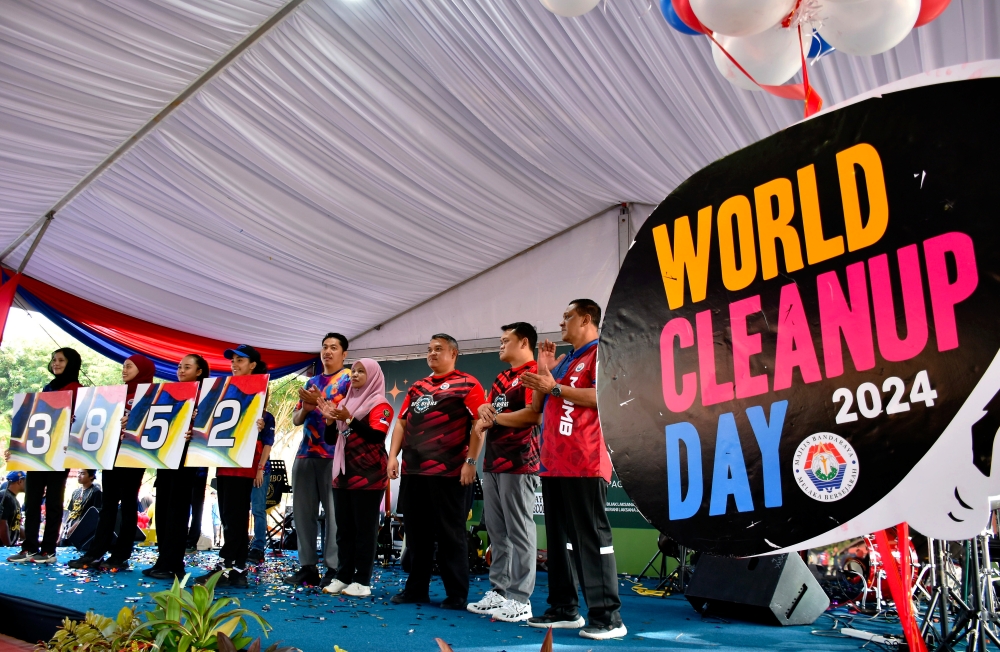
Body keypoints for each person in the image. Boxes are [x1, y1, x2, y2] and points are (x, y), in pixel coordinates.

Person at [521, 299, 626, 640]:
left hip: (585, 460)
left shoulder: (602, 352)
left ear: (586, 318)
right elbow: (540, 404)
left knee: (592, 539)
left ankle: (608, 617)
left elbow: (602, 398)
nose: (562, 321)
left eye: (567, 316)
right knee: (560, 542)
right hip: (553, 464)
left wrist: (554, 386)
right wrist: (544, 370)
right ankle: (564, 609)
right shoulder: (566, 360)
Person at [387, 334, 487, 610]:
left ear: (453, 353)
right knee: (417, 536)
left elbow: (479, 423)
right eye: (429, 350)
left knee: (450, 536)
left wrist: (471, 461)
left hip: (450, 474)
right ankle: (416, 589)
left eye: (438, 349)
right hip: (414, 473)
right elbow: (401, 423)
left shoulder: (468, 384)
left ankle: (457, 594)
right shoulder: (418, 387)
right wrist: (392, 456)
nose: (431, 354)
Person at [467, 323, 541, 622]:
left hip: (521, 461)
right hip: (494, 461)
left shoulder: (534, 372)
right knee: (497, 532)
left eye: (505, 340)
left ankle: (521, 599)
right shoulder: (501, 378)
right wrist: (485, 411)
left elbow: (531, 415)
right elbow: (491, 414)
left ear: (523, 342)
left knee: (520, 531)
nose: (500, 345)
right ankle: (498, 592)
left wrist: (494, 418)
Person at [68, 354, 156, 571]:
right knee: (107, 506)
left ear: (143, 370)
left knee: (127, 506)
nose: (124, 370)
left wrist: (138, 420)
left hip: (133, 456)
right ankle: (95, 553)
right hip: (110, 455)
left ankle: (120, 556)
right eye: (123, 366)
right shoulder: (114, 395)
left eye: (129, 366)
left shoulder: (152, 396)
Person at [194, 345, 271, 589]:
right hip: (224, 460)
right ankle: (237, 569)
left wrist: (260, 424)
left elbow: (264, 428)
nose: (234, 364)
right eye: (233, 360)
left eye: (240, 360)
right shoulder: (223, 391)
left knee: (235, 515)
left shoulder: (259, 391)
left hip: (244, 462)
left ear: (253, 365)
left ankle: (228, 565)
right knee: (229, 514)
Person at [319, 358, 394, 598]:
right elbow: (332, 440)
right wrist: (331, 421)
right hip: (343, 474)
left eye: (361, 372)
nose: (355, 375)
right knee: (345, 529)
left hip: (368, 474)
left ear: (373, 376)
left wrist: (349, 418)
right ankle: (343, 576)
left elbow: (376, 436)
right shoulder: (346, 401)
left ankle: (362, 580)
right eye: (353, 371)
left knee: (364, 529)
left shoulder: (380, 404)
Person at [285, 333, 351, 588]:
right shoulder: (311, 381)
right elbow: (296, 419)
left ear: (343, 354)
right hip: (305, 453)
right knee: (303, 513)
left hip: (333, 454)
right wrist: (307, 407)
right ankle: (307, 566)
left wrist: (321, 404)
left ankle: (333, 568)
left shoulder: (347, 380)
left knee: (334, 516)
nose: (328, 351)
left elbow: (346, 414)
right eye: (324, 347)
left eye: (334, 347)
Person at [7, 348, 83, 564]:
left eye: (61, 360)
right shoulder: (48, 388)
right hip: (38, 451)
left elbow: (79, 421)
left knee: (53, 502)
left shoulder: (77, 389)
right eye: (53, 360)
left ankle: (48, 550)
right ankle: (29, 547)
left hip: (60, 453)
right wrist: (17, 445)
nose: (56, 363)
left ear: (72, 363)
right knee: (31, 500)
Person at [144, 354, 210, 581]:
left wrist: (196, 429)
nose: (181, 370)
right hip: (165, 454)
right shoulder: (168, 393)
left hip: (187, 459)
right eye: (179, 366)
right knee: (161, 508)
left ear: (199, 371)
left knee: (177, 510)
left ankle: (174, 562)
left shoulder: (205, 396)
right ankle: (163, 559)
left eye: (187, 367)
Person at [248, 393, 275, 565]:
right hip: (240, 467)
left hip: (259, 468)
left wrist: (260, 468)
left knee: (258, 509)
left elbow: (268, 444)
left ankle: (258, 546)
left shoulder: (267, 417)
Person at [60, 469, 103, 550]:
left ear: (91, 476)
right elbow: (70, 512)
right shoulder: (76, 492)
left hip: (82, 530)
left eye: (82, 473)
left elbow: (93, 514)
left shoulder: (96, 492)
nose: (79, 475)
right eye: (78, 473)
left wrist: (75, 526)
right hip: (68, 527)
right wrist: (62, 533)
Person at [186, 467, 208, 553]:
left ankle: (191, 542)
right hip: (186, 473)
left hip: (199, 473)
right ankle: (185, 540)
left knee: (197, 510)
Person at [1, 471, 26, 547]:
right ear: (20, 481)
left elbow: (15, 525)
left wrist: (32, 540)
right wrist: (8, 547)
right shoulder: (5, 497)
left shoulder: (14, 499)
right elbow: (2, 524)